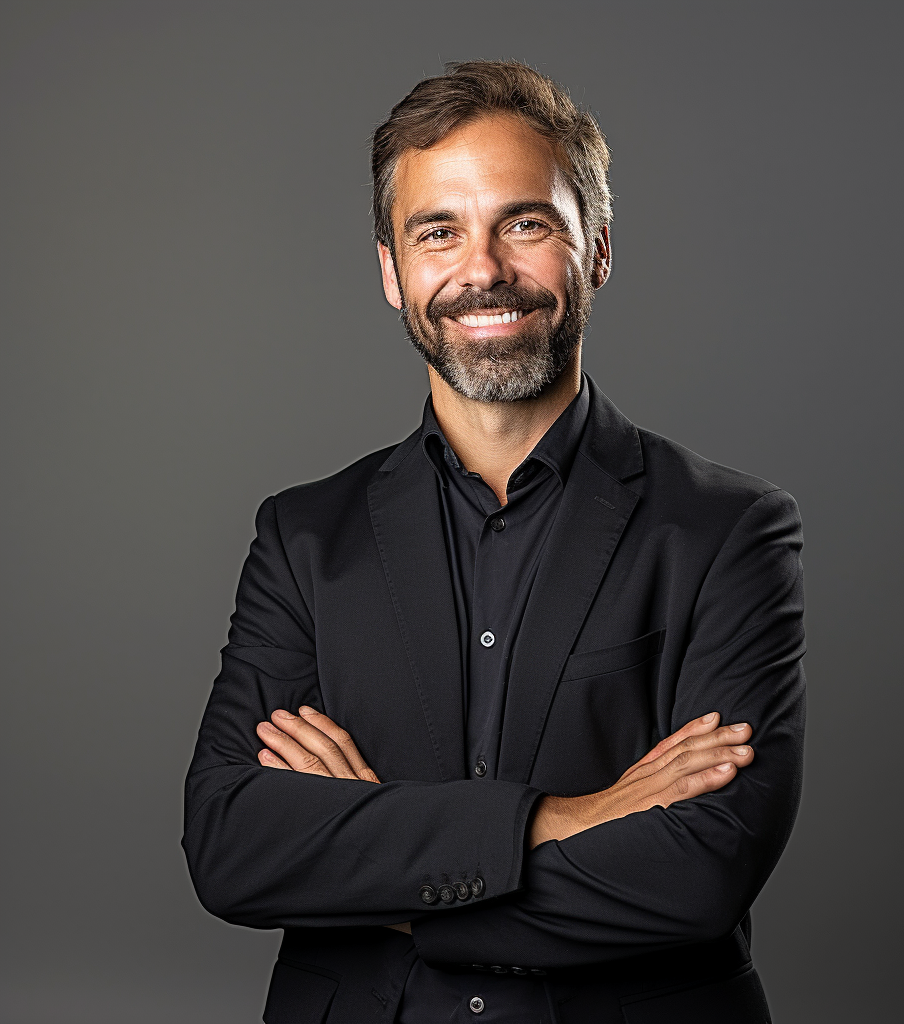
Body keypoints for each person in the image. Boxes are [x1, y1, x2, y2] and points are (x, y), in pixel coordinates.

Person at [183, 60, 806, 1024]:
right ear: (393, 272)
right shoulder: (303, 537)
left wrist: (377, 876)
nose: (483, 272)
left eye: (526, 223)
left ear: (595, 249)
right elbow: (232, 848)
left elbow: (701, 871)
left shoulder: (729, 531)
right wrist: (573, 820)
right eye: (439, 232)